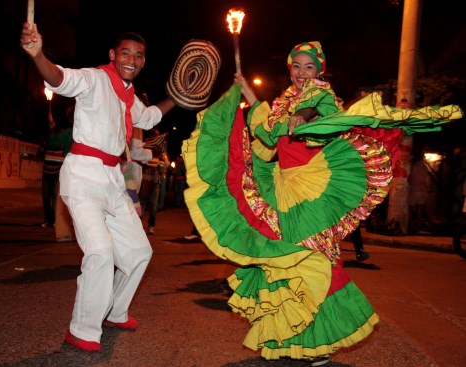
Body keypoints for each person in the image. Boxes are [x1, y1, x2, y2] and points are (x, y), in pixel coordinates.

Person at [182, 41, 463, 365]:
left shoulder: (320, 96)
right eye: (297, 66)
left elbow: (314, 110)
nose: (302, 73)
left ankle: (325, 339)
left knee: (315, 256)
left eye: (309, 67)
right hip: (285, 187)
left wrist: (300, 116)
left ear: (319, 71)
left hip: (313, 186)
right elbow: (268, 135)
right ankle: (295, 338)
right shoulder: (284, 101)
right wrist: (246, 91)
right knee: (287, 258)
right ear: (290, 69)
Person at [20, 23, 177, 351]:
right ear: (112, 55)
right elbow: (59, 78)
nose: (131, 59)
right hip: (82, 178)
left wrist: (177, 98)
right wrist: (38, 55)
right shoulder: (94, 78)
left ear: (143, 61)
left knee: (139, 253)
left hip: (112, 180)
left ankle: (115, 312)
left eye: (138, 55)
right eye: (125, 53)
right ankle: (82, 330)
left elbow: (147, 117)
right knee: (101, 253)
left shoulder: (128, 95)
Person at [50, 103, 75, 242]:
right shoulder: (71, 133)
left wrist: (52, 129)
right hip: (81, 169)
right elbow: (53, 141)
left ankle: (64, 232)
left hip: (70, 169)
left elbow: (53, 141)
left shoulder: (69, 133)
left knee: (63, 200)